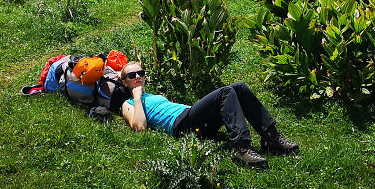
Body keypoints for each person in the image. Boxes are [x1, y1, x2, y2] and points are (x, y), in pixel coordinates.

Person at [115, 61, 299, 170]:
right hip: (181, 125)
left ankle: (270, 139)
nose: (138, 76)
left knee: (240, 88)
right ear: (124, 81)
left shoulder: (153, 95)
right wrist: (136, 97)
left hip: (191, 116)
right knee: (225, 92)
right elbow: (139, 127)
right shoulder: (129, 104)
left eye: (141, 73)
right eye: (132, 75)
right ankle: (241, 149)